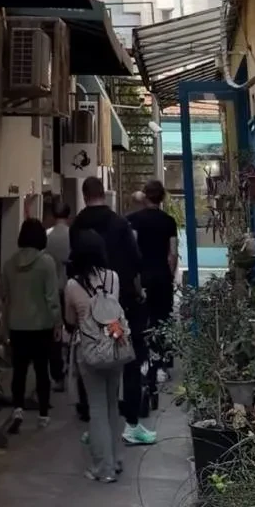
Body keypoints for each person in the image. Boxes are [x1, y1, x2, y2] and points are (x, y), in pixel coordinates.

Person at [71, 177, 157, 446]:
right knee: (128, 359)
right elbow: (136, 261)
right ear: (103, 194)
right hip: (121, 304)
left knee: (90, 361)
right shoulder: (120, 224)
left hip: (87, 304)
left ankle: (95, 424)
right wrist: (137, 291)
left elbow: (74, 264)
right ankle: (131, 423)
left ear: (85, 196)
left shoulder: (77, 226)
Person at [65, 230, 125, 483]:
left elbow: (70, 320)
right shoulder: (113, 278)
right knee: (112, 405)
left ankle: (103, 468)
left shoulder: (72, 285)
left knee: (97, 407)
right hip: (114, 345)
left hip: (88, 350)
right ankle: (115, 459)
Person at [0, 218, 61, 433]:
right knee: (42, 371)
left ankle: (18, 409)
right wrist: (57, 323)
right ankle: (43, 415)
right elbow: (52, 297)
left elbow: (4, 296)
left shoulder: (9, 264)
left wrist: (4, 325)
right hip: (41, 325)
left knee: (19, 370)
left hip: (17, 325)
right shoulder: (47, 263)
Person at [129, 180, 178, 400]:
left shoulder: (134, 220)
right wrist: (170, 274)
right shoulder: (169, 221)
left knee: (141, 321)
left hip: (142, 278)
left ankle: (142, 362)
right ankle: (161, 365)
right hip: (162, 277)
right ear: (162, 198)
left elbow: (133, 251)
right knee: (163, 320)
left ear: (145, 196)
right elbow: (173, 253)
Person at [46, 199, 72, 389]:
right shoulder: (73, 235)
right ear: (68, 216)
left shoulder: (47, 236)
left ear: (53, 215)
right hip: (71, 288)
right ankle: (71, 366)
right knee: (73, 329)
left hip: (52, 290)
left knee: (53, 334)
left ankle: (58, 376)